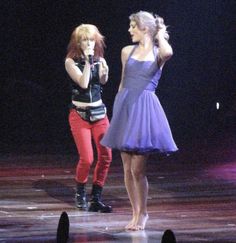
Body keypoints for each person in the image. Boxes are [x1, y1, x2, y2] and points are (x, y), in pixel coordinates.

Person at [101, 11, 178, 229]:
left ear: (144, 27)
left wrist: (160, 33)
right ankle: (135, 213)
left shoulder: (158, 53)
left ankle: (143, 213)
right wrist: (117, 111)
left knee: (138, 169)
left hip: (144, 110)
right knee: (126, 168)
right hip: (125, 106)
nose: (129, 30)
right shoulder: (126, 51)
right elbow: (123, 82)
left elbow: (168, 52)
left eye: (133, 26)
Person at [65, 24, 112, 213]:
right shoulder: (70, 62)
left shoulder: (99, 59)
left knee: (106, 156)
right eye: (85, 40)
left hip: (99, 113)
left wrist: (105, 71)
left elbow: (102, 82)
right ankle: (80, 194)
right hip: (80, 115)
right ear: (78, 42)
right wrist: (87, 61)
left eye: (92, 40)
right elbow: (83, 83)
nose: (89, 43)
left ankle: (96, 197)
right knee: (87, 158)